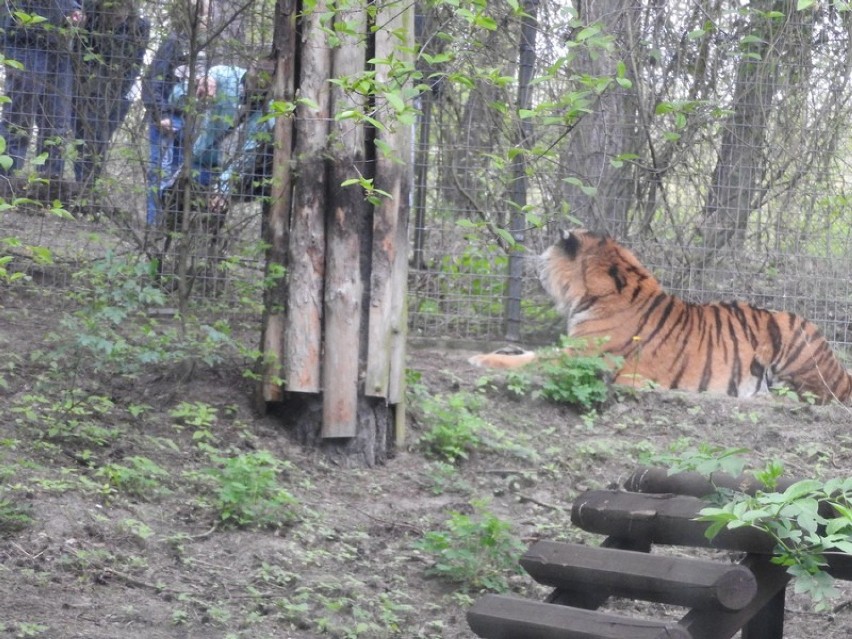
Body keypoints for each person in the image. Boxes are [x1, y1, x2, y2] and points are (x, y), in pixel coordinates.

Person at [0, 0, 85, 180]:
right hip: (25, 39)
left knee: (57, 119)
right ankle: (5, 178)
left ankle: (48, 182)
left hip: (60, 45)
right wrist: (69, 8)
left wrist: (77, 10)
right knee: (18, 115)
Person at [72, 0, 150, 185]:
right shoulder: (92, 16)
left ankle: (90, 186)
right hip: (86, 88)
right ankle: (84, 185)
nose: (119, 14)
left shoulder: (140, 26)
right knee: (84, 135)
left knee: (99, 138)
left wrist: (115, 93)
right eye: (115, 9)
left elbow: (134, 65)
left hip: (119, 92)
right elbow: (80, 52)